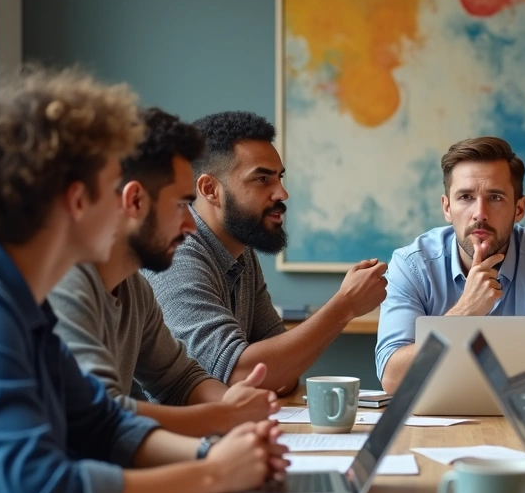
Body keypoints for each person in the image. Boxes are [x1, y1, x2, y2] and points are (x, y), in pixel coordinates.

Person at [0, 69, 286, 493]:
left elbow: (104, 423)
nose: (124, 205)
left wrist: (213, 453)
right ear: (78, 199)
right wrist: (213, 473)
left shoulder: (18, 299)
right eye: (113, 186)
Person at [49, 108, 279, 437]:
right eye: (181, 205)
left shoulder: (134, 289)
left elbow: (180, 380)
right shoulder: (65, 285)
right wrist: (222, 422)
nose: (190, 225)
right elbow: (103, 411)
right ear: (135, 201)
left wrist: (234, 408)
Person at [144, 111, 387, 393]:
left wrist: (275, 367)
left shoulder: (241, 254)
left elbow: (281, 375)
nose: (281, 193)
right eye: (262, 179)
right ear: (210, 189)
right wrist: (345, 306)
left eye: (279, 178)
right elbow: (241, 373)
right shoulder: (177, 256)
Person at [375, 137, 525, 393]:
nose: (480, 213)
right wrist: (464, 313)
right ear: (447, 207)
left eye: (495, 197)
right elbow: (393, 378)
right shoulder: (411, 264)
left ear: (519, 209)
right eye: (465, 197)